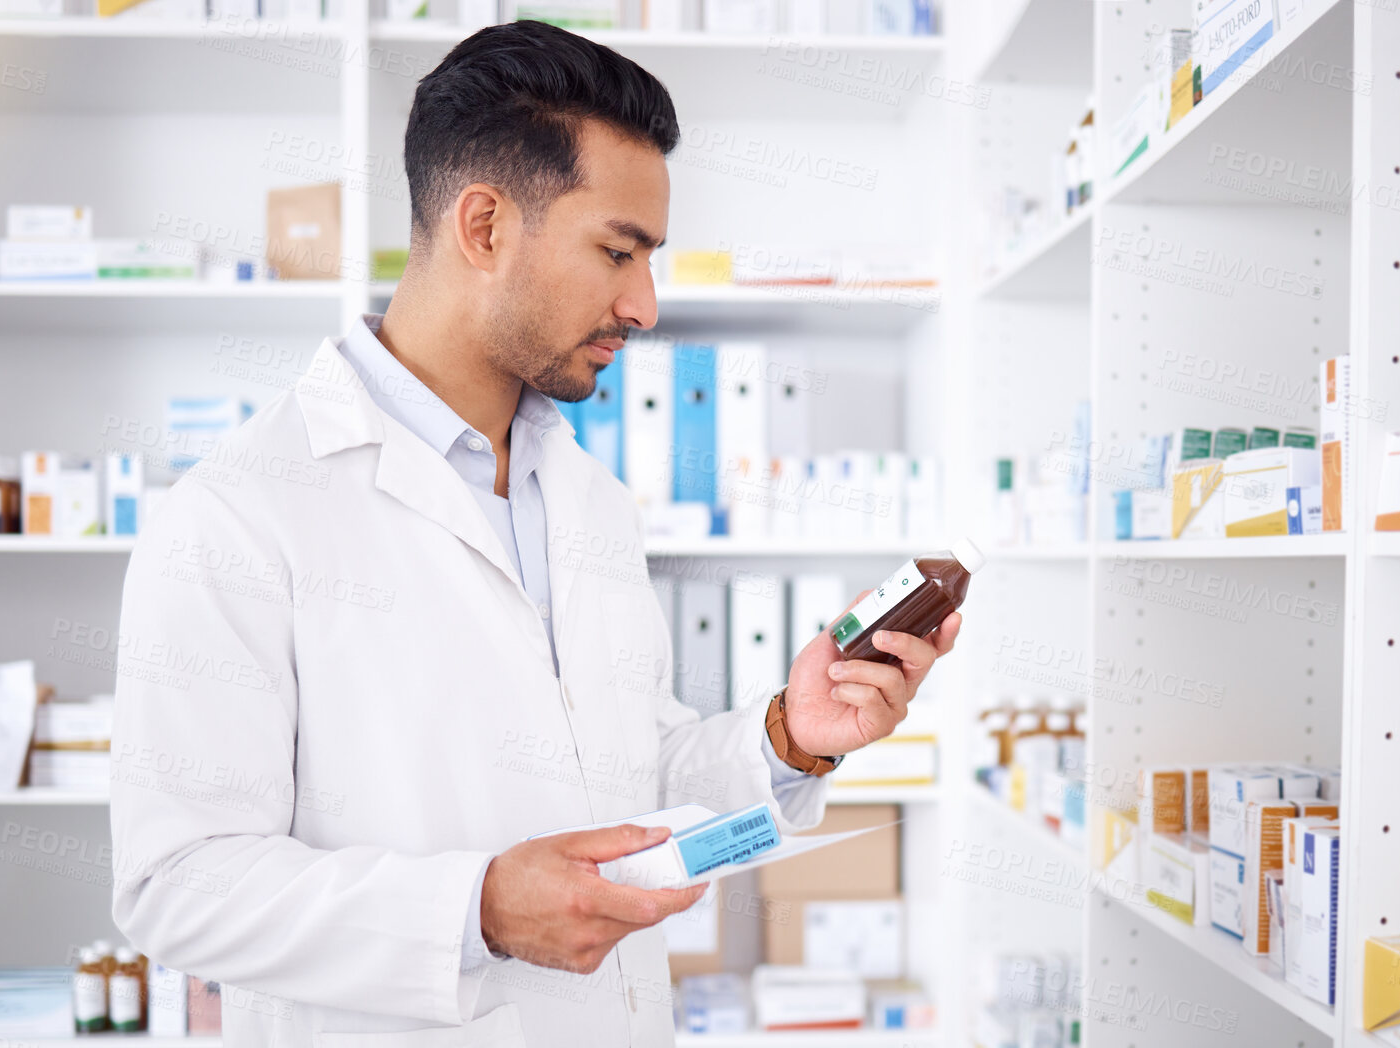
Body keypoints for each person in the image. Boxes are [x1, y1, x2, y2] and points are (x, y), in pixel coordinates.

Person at [109, 18, 962, 1047]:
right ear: (482, 227)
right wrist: (477, 910)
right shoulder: (241, 513)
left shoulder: (586, 495)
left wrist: (785, 737)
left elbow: (623, 775)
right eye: (616, 252)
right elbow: (178, 884)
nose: (643, 306)